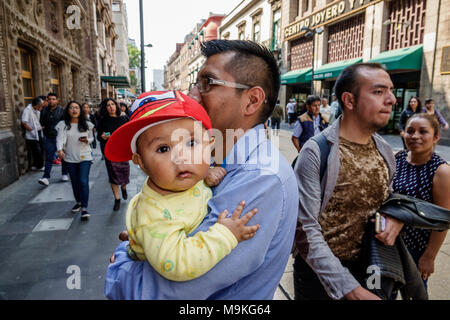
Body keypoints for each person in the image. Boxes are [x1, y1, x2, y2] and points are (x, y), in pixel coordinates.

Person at [105, 39, 299, 300]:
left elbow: (170, 288)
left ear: (252, 100)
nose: (193, 95)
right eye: (195, 84)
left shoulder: (259, 177)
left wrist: (120, 263)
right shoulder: (214, 161)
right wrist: (147, 237)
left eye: (208, 83)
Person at [105, 90, 260, 281]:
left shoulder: (183, 180)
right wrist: (226, 235)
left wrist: (203, 175)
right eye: (163, 149)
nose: (181, 157)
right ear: (141, 162)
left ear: (210, 145)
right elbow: (177, 264)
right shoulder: (154, 213)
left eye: (192, 143)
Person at [292, 62, 405, 300]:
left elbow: (388, 199)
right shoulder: (317, 151)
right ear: (349, 100)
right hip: (320, 277)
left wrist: (395, 218)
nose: (392, 99)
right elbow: (305, 229)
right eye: (378, 91)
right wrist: (350, 290)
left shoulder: (384, 149)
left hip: (373, 267)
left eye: (391, 90)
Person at [392, 113, 450, 294]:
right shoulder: (398, 158)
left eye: (422, 131)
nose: (415, 136)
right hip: (389, 244)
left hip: (416, 250)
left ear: (435, 137)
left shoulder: (441, 171)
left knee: (413, 294)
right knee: (382, 291)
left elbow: (442, 220)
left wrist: (429, 256)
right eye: (410, 131)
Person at [56, 101, 95, 220]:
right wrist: (60, 149)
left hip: (85, 156)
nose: (74, 110)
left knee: (83, 181)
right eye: (71, 108)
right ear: (68, 110)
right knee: (74, 182)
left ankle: (84, 208)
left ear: (80, 110)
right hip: (69, 157)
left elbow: (91, 138)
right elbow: (60, 139)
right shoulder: (63, 124)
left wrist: (87, 140)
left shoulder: (87, 124)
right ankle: (78, 201)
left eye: (76, 107)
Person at [97, 98, 130, 211]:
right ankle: (117, 199)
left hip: (122, 150)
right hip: (109, 150)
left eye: (112, 104)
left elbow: (129, 133)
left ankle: (124, 187)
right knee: (113, 174)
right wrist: (102, 137)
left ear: (116, 106)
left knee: (124, 172)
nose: (110, 107)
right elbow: (98, 137)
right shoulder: (103, 120)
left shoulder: (124, 118)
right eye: (108, 105)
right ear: (105, 108)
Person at [38, 92, 69, 186]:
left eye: (53, 99)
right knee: (49, 157)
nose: (51, 101)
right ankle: (45, 177)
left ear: (57, 100)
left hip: (61, 137)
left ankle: (64, 174)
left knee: (63, 156)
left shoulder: (62, 111)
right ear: (47, 100)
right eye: (49, 99)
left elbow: (66, 123)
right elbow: (42, 122)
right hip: (49, 137)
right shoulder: (43, 111)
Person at [22, 96, 44, 171]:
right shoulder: (27, 110)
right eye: (40, 106)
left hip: (38, 132)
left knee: (39, 150)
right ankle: (40, 166)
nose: (41, 107)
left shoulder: (36, 110)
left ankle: (36, 165)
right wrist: (31, 131)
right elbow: (24, 123)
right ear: (37, 105)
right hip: (31, 135)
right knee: (37, 151)